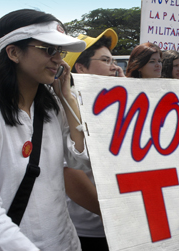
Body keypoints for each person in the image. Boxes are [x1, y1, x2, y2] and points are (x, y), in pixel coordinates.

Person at [0, 9, 100, 251]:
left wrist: (68, 100)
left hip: (65, 242)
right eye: (49, 49)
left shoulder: (51, 105)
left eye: (59, 51)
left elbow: (79, 161)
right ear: (13, 52)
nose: (59, 60)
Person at [64, 28, 122, 251]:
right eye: (105, 60)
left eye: (113, 60)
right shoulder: (68, 107)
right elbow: (71, 174)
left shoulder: (113, 102)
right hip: (88, 230)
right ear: (80, 67)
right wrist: (113, 213)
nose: (114, 67)